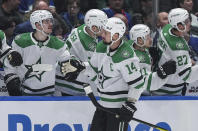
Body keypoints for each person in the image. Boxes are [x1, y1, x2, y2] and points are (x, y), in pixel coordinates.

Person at [3, 10, 84, 96]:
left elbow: (67, 58)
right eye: (46, 21)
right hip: (25, 94)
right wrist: (11, 76)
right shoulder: (20, 41)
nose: (51, 24)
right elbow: (11, 62)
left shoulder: (58, 43)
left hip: (50, 95)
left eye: (51, 21)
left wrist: (73, 63)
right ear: (37, 25)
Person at [55, 9, 108, 96]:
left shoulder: (83, 28)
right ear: (94, 27)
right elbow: (93, 68)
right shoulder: (87, 46)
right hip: (67, 85)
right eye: (103, 26)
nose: (105, 29)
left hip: (63, 75)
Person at [152, 8, 198, 95]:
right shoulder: (178, 48)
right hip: (169, 91)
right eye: (187, 21)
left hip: (159, 83)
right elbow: (187, 77)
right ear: (179, 25)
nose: (190, 23)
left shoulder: (166, 28)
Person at [128, 24, 176, 96]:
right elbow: (144, 82)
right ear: (140, 40)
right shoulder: (139, 59)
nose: (151, 39)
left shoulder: (133, 44)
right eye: (147, 37)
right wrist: (161, 73)